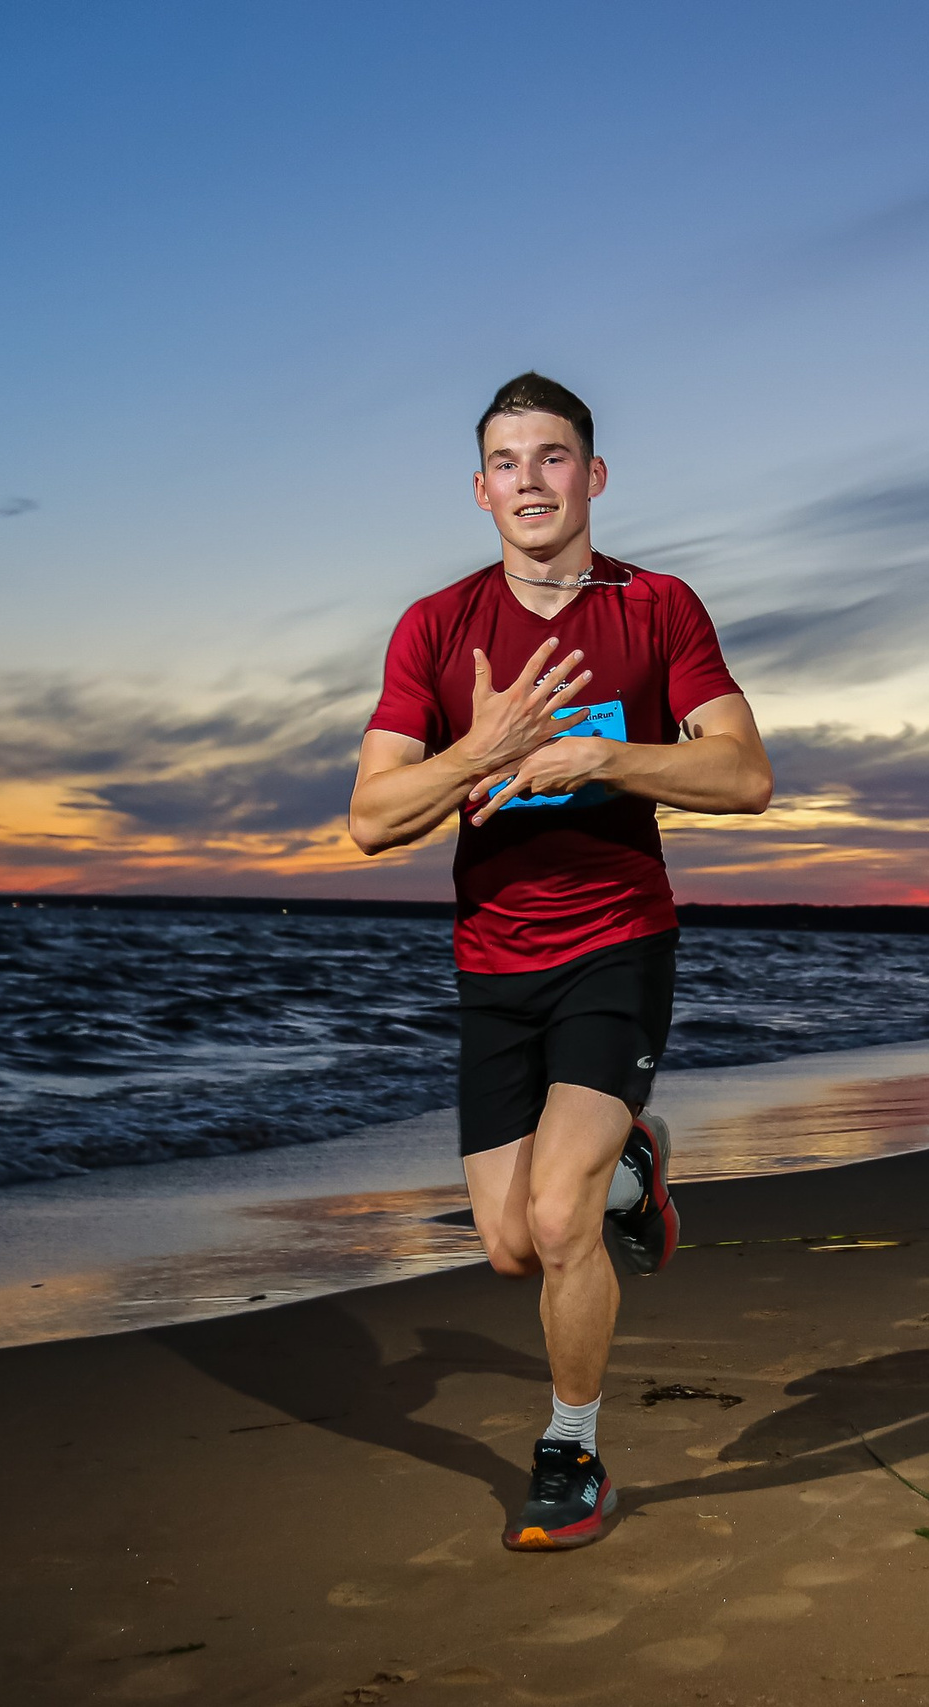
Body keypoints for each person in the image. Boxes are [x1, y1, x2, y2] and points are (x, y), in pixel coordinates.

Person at [348, 373, 774, 1551]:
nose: (529, 481)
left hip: (617, 941)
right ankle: (634, 1167)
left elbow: (743, 777)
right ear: (478, 487)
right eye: (506, 461)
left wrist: (601, 763)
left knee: (558, 1212)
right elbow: (372, 819)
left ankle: (570, 1450)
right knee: (508, 1244)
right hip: (492, 962)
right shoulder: (434, 628)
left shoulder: (656, 607)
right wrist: (476, 752)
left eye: (552, 457)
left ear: (592, 476)